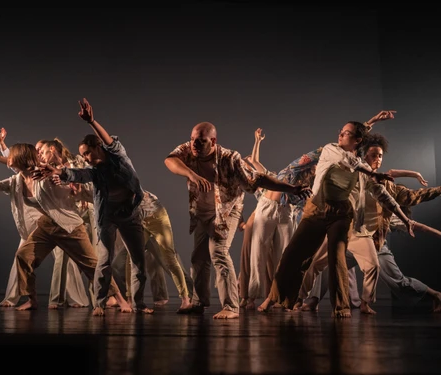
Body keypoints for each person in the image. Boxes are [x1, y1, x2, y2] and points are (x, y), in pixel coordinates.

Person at [0, 143, 132, 312]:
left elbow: (65, 179)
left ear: (21, 159)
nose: (9, 159)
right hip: (47, 225)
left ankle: (121, 300)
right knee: (23, 257)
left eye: (12, 156)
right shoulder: (16, 181)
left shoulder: (44, 173)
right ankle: (32, 299)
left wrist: (68, 183)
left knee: (92, 265)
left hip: (69, 226)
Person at [261, 118, 415, 318]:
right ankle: (276, 297)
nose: (340, 135)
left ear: (358, 140)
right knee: (293, 254)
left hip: (341, 215)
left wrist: (405, 219)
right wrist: (370, 172)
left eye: (346, 133)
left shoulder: (363, 169)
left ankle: (341, 307)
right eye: (341, 131)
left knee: (337, 258)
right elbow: (347, 161)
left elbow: (383, 195)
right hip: (316, 210)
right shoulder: (330, 149)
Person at [163, 121, 312, 319]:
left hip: (226, 212)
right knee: (198, 258)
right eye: (192, 140)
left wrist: (291, 189)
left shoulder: (229, 158)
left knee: (218, 253)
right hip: (201, 212)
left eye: (200, 141)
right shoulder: (188, 150)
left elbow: (257, 179)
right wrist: (192, 174)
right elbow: (170, 160)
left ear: (213, 141)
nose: (194, 145)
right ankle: (199, 302)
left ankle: (231, 306)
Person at [37, 98, 153, 315]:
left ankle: (139, 304)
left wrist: (92, 121)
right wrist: (56, 172)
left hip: (129, 215)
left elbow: (111, 143)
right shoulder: (95, 171)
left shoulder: (119, 158)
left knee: (139, 261)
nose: (86, 158)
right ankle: (99, 303)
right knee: (104, 260)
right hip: (107, 216)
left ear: (98, 147)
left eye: (88, 153)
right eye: (83, 156)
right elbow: (79, 174)